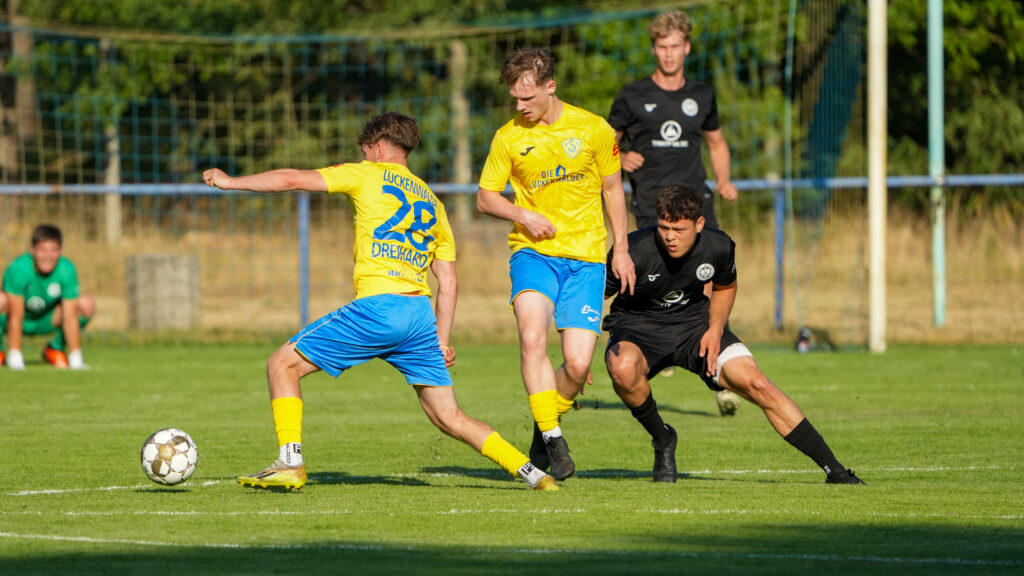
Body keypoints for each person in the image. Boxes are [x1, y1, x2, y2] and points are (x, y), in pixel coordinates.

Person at [203, 112, 557, 492]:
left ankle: (290, 462)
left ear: (377, 147)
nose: (364, 155)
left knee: (281, 365)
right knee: (449, 417)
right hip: (420, 317)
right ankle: (534, 474)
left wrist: (229, 182)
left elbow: (291, 179)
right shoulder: (433, 201)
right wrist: (440, 339)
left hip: (379, 308)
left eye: (365, 150)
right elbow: (449, 282)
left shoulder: (367, 173)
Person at [602, 184, 864, 485]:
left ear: (700, 224)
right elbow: (594, 295)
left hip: (696, 326)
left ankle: (836, 471)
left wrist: (715, 329)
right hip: (639, 327)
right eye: (664, 227)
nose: (670, 236)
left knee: (757, 382)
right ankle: (662, 438)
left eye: (679, 229)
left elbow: (725, 286)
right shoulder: (634, 250)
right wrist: (581, 348)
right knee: (622, 369)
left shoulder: (718, 247)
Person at [476, 48, 636, 481]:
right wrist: (521, 214)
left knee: (579, 364)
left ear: (551, 86)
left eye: (526, 97)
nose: (519, 106)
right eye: (513, 97)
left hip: (585, 260)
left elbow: (613, 190)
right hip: (532, 254)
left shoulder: (593, 129)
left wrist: (620, 248)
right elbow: (485, 197)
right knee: (532, 337)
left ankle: (542, 430)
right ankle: (556, 439)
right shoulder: (507, 137)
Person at [609, 9, 741, 415]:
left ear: (686, 47)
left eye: (675, 47)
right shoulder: (632, 95)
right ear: (655, 49)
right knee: (648, 278)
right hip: (651, 206)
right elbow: (604, 146)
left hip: (695, 205)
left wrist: (723, 179)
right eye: (661, 47)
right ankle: (656, 343)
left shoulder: (702, 95)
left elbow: (717, 143)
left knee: (708, 280)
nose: (668, 54)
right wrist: (623, 156)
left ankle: (716, 370)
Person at [1, 224, 95, 370]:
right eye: (43, 250)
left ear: (61, 251)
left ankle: (54, 349)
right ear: (32, 250)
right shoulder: (18, 268)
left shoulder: (67, 269)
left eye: (53, 250)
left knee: (85, 304)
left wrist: (76, 360)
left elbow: (70, 318)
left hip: (48, 319)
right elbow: (15, 316)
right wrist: (16, 358)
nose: (48, 256)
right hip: (16, 318)